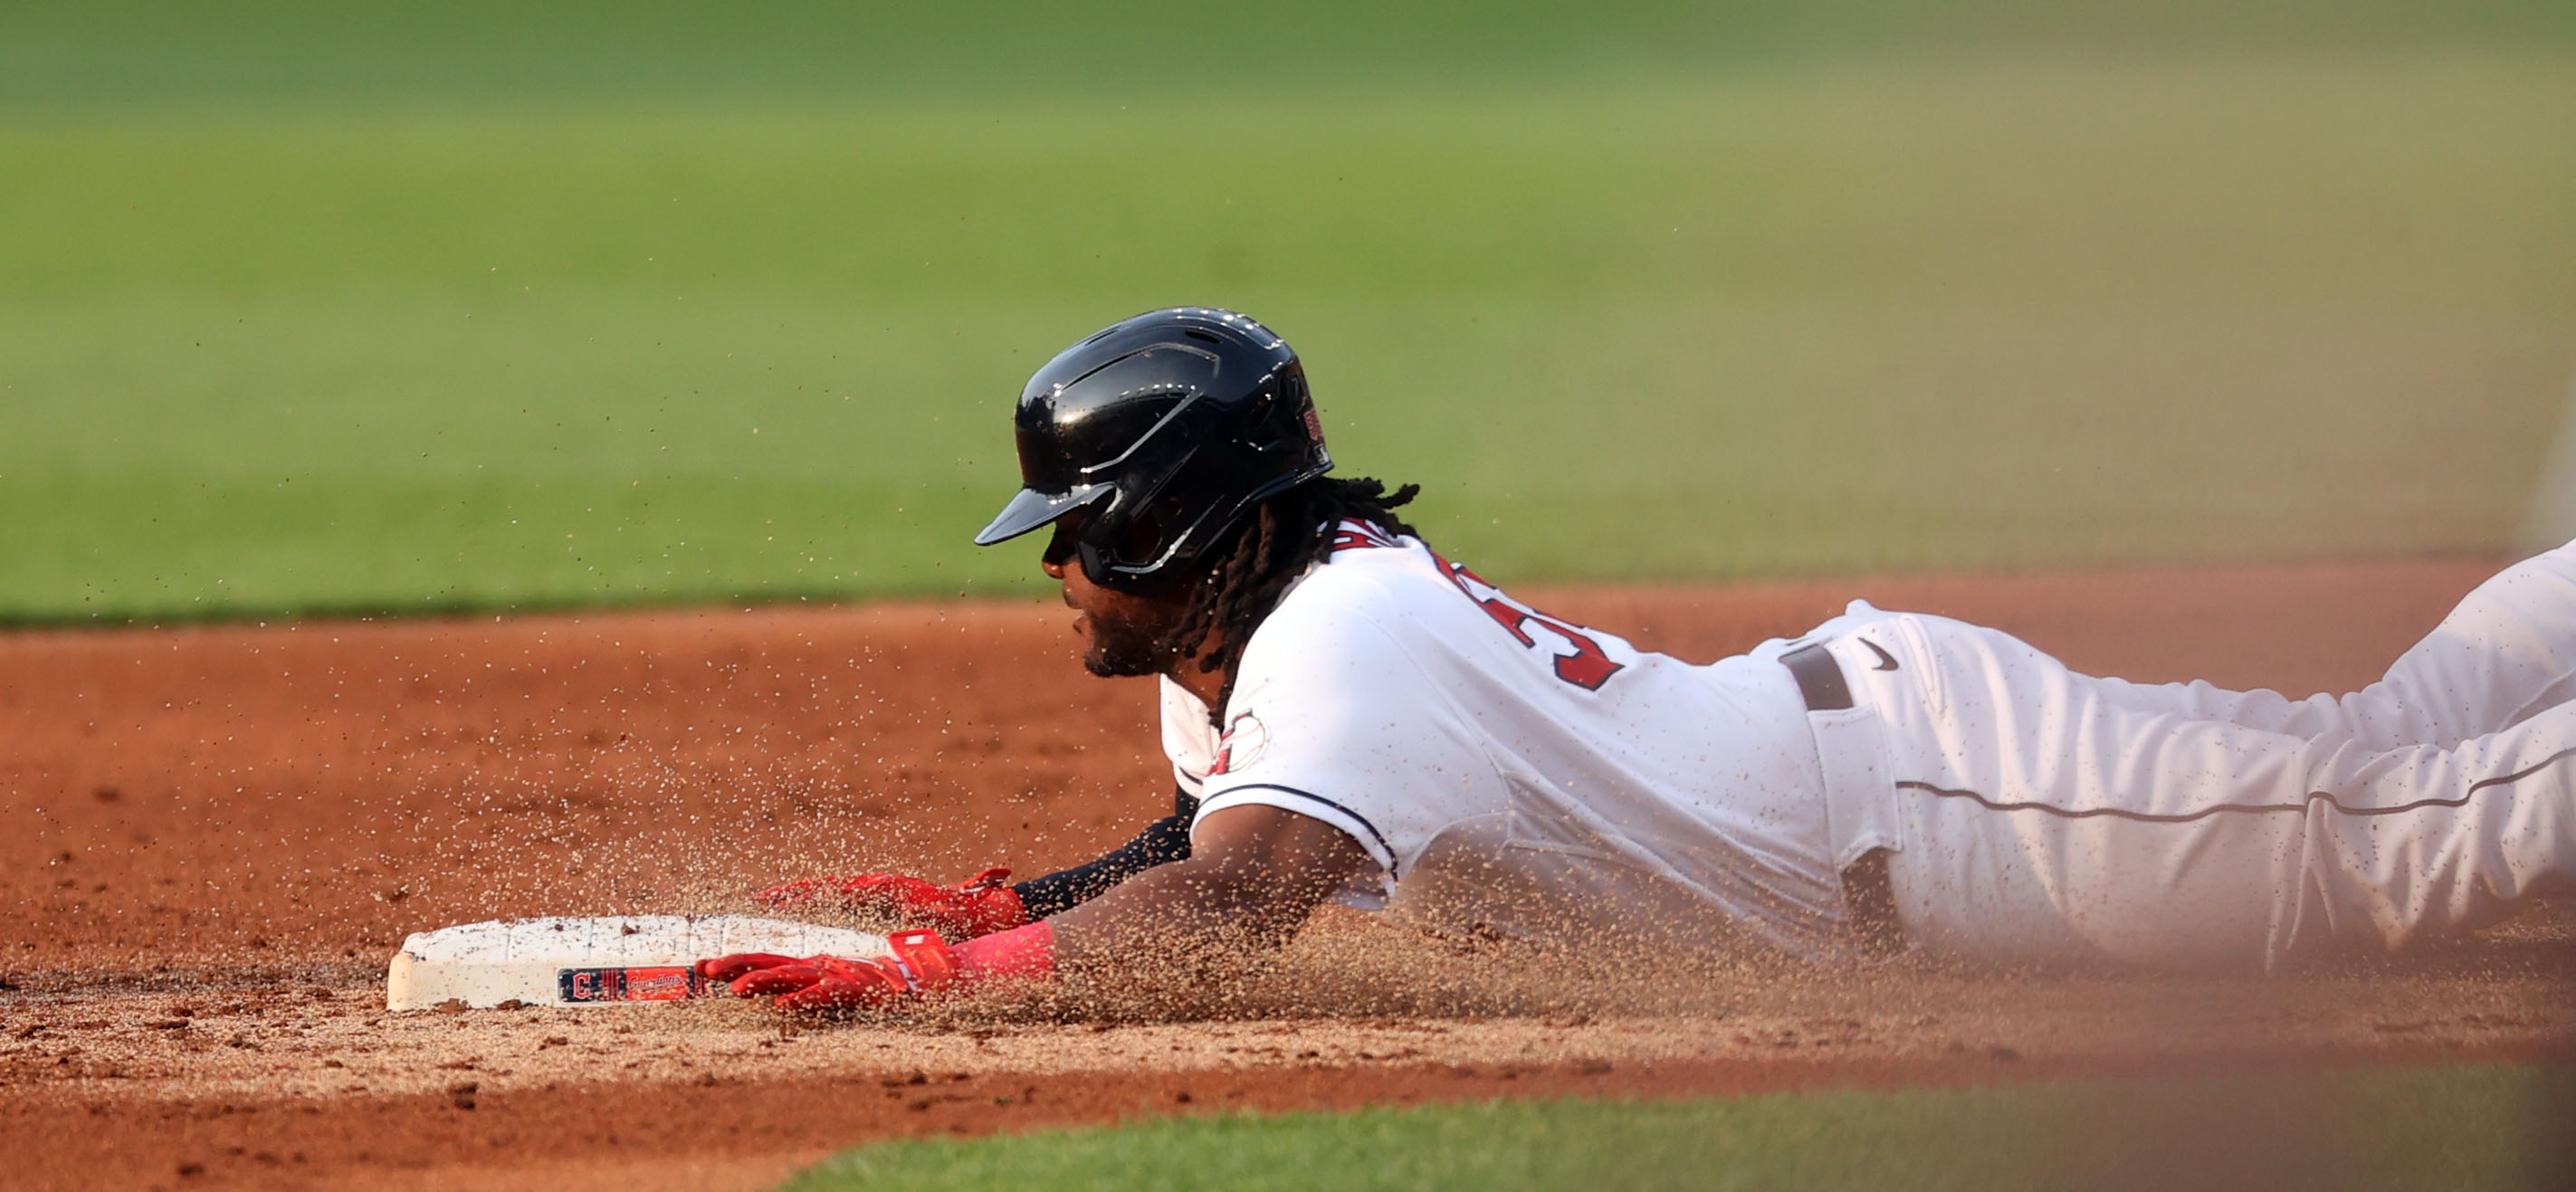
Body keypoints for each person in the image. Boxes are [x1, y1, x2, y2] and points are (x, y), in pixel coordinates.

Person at [700, 307, 2576, 1010]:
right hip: (1898, 760)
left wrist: (958, 971)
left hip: (1945, 809)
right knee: (2391, 740)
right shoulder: (1282, 626)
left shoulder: (1341, 632)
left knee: (2392, 841)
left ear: (1198, 526)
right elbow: (1190, 844)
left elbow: (1236, 904)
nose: (1064, 577)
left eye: (1090, 535)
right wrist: (1024, 897)